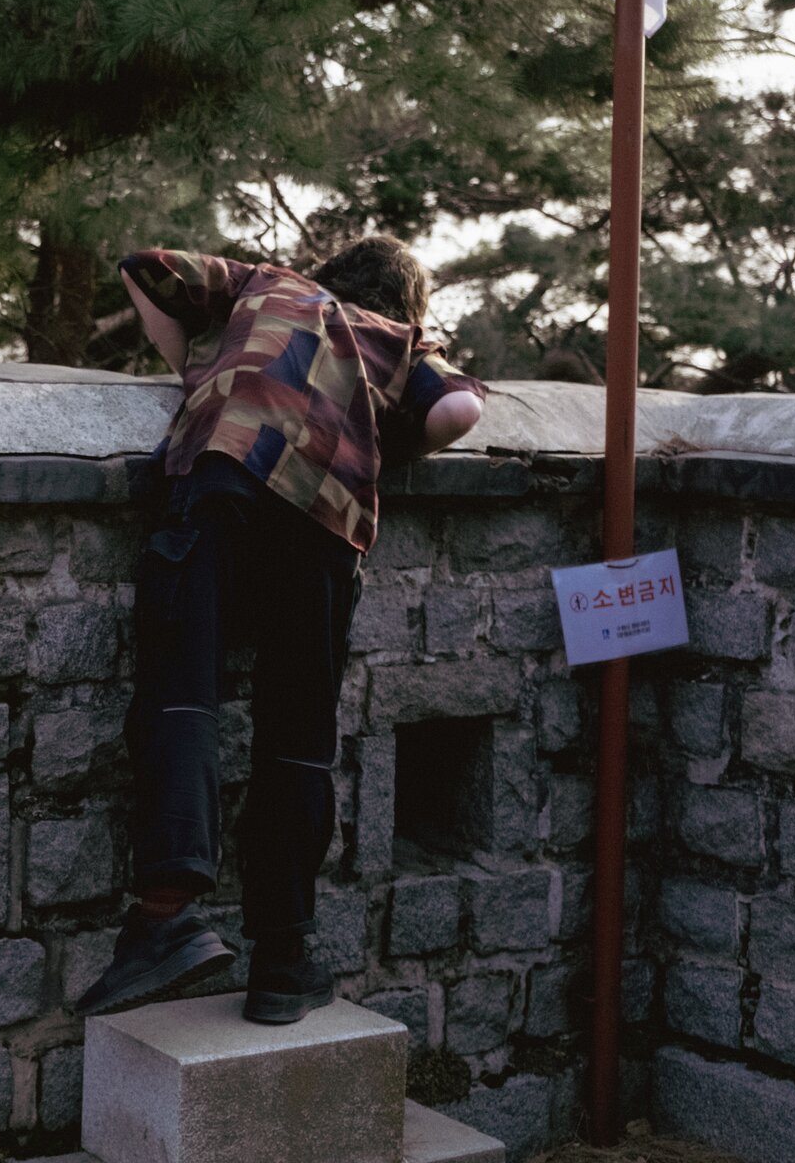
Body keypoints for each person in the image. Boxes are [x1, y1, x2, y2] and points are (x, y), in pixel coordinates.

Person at [75, 236, 487, 1024]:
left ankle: (167, 918)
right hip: (326, 523)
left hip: (229, 472)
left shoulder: (269, 284)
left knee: (183, 692)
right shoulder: (398, 340)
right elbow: (461, 410)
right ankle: (282, 961)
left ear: (328, 276)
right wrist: (374, 435)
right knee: (298, 738)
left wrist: (192, 367)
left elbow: (144, 266)